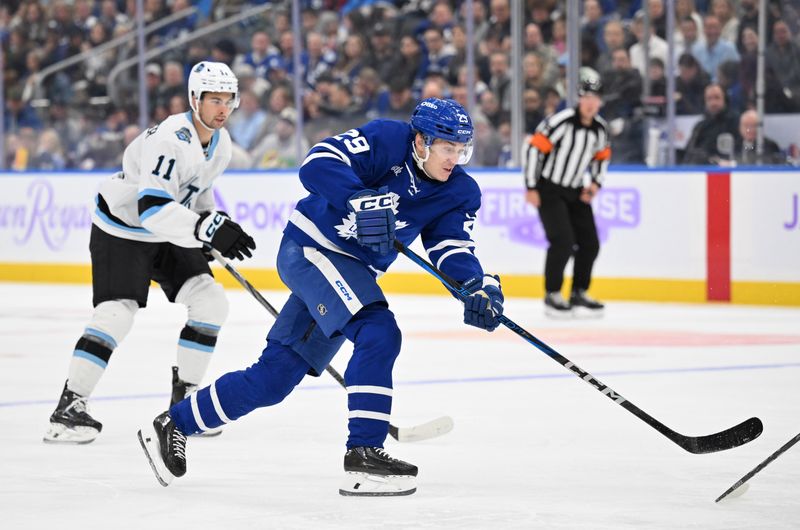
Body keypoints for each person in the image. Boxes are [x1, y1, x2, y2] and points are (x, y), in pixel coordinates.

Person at [138, 98, 505, 496]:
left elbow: (451, 247)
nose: (454, 159)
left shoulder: (460, 191)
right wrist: (358, 198)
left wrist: (476, 286)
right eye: (447, 148)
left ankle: (175, 423)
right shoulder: (387, 139)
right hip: (312, 248)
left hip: (352, 273)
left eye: (461, 149)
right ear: (420, 141)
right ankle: (364, 453)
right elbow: (318, 162)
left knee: (275, 377)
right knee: (378, 331)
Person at [43, 62, 257, 444]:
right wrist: (202, 228)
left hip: (168, 228)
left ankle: (185, 406)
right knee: (116, 313)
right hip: (123, 228)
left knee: (211, 303)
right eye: (214, 100)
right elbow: (153, 209)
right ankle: (68, 409)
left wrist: (212, 223)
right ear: (195, 99)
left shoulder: (221, 143)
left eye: (229, 100)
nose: (223, 108)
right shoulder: (171, 139)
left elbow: (196, 193)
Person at [523, 68, 610, 318]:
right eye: (587, 97)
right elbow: (534, 150)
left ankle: (579, 292)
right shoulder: (560, 122)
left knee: (590, 243)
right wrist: (531, 186)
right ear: (579, 99)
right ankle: (552, 294)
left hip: (576, 190)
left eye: (595, 98)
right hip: (549, 189)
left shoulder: (600, 129)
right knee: (562, 241)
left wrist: (595, 184)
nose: (591, 103)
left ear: (600, 102)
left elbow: (602, 156)